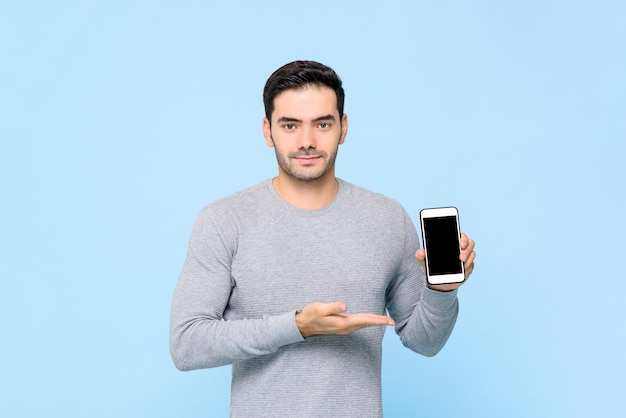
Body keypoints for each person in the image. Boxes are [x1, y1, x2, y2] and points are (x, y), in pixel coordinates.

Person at [170, 60, 476, 417]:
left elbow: (424, 342)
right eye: (290, 125)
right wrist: (297, 326)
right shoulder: (225, 220)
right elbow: (186, 344)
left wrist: (441, 291)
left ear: (343, 128)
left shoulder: (387, 218)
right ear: (268, 131)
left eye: (322, 123)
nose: (307, 141)